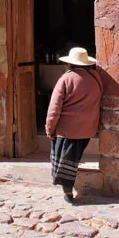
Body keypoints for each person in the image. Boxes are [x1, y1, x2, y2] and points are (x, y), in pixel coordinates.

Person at [45, 47, 103, 203]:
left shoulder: (66, 79)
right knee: (74, 158)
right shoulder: (96, 77)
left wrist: (50, 128)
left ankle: (68, 191)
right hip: (88, 128)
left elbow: (54, 108)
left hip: (67, 130)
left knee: (65, 162)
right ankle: (68, 188)